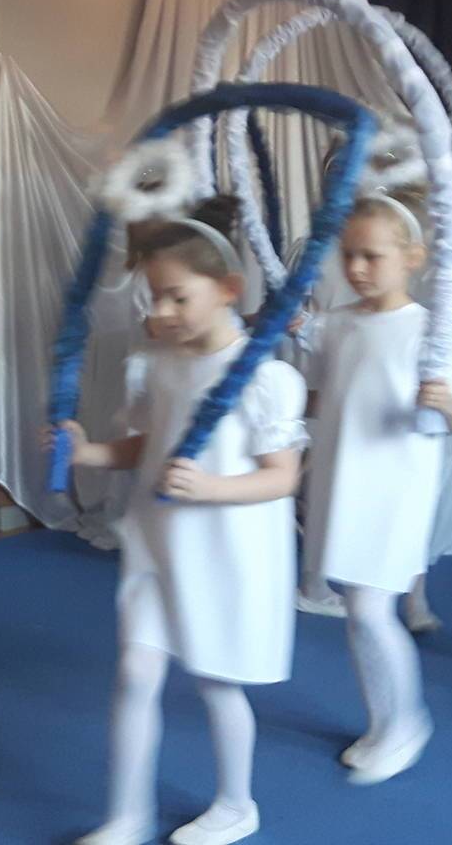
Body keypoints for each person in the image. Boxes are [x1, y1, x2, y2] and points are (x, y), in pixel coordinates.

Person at [57, 195, 306, 845]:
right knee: (136, 672)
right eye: (155, 298)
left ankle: (237, 802)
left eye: (177, 298)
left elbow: (284, 476)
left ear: (228, 290)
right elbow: (148, 447)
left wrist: (212, 487)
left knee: (217, 684)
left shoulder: (262, 378)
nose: (162, 313)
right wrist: (89, 453)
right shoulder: (161, 365)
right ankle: (127, 814)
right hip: (157, 545)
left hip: (223, 550)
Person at [305, 194, 452, 784]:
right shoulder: (336, 323)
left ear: (412, 258)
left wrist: (444, 403)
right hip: (344, 480)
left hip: (394, 488)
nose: (356, 268)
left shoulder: (429, 330)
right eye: (348, 255)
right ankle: (383, 722)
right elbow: (323, 399)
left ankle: (407, 723)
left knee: (372, 609)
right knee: (358, 610)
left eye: (371, 256)